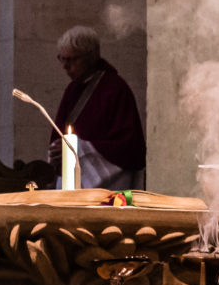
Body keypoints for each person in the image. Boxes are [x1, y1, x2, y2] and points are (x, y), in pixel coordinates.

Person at [46, 26, 146, 189]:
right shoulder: (72, 90)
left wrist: (79, 148)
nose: (65, 66)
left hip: (108, 186)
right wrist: (58, 151)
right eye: (62, 59)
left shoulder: (115, 89)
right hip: (72, 183)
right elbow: (59, 134)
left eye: (72, 60)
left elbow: (129, 147)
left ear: (91, 57)